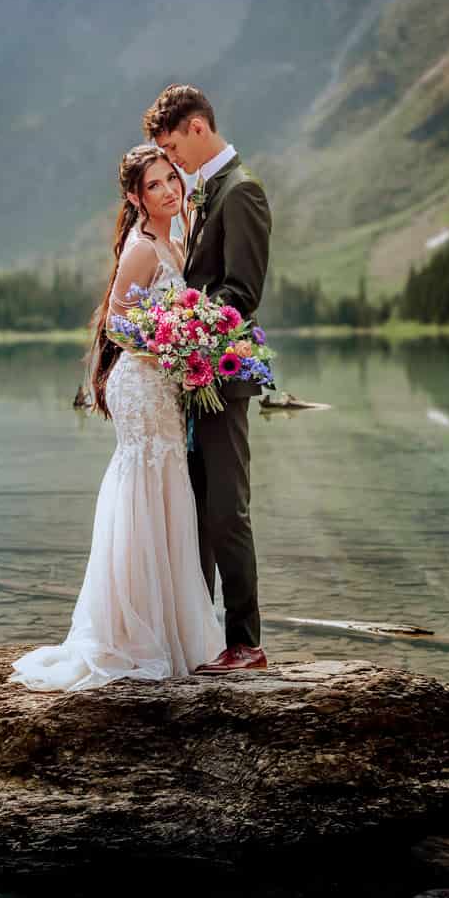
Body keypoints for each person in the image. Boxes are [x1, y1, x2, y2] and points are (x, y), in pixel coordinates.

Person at [9, 145, 221, 691]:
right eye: (155, 185)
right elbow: (120, 325)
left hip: (163, 385)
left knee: (166, 487)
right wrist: (168, 349)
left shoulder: (172, 238)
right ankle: (132, 633)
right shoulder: (143, 248)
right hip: (142, 384)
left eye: (171, 178)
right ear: (135, 196)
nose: (169, 190)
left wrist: (184, 348)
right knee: (147, 486)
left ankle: (173, 631)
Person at [145, 84, 270, 673]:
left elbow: (241, 293)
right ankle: (201, 639)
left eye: (174, 146)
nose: (173, 162)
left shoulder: (241, 192)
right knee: (196, 512)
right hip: (195, 374)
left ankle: (246, 643)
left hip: (223, 375)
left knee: (226, 511)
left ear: (198, 128)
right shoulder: (204, 192)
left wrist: (182, 324)